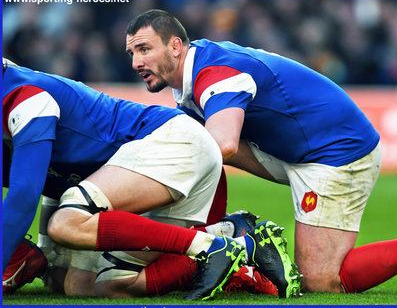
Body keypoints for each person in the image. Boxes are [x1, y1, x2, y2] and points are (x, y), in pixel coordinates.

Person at [124, 9, 397, 294]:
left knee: (320, 282)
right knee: (194, 142)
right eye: (132, 53)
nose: (136, 62)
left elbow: (224, 145)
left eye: (144, 49)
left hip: (337, 152)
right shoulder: (188, 77)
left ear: (175, 46)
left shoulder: (215, 74)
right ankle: (232, 236)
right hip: (293, 150)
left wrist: (144, 183)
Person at [2, 58, 300, 299]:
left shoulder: (26, 98)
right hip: (125, 170)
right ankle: (231, 238)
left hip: (171, 144)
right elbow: (48, 179)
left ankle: (224, 247)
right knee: (77, 285)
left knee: (67, 223)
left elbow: (23, 196)